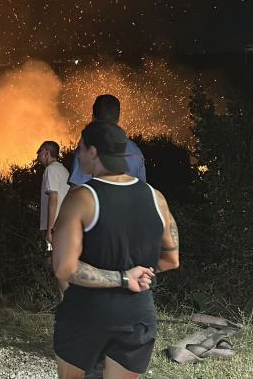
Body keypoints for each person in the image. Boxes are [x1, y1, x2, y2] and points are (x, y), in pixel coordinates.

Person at [52, 121, 180, 378]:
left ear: (93, 152)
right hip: (137, 316)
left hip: (86, 315)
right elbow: (171, 259)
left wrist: (122, 278)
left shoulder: (81, 198)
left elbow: (64, 268)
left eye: (80, 149)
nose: (78, 155)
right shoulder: (156, 197)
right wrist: (139, 274)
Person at [69, 95, 146, 188]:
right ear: (118, 119)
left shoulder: (87, 148)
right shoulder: (136, 151)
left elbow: (78, 190)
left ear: (93, 118)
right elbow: (141, 188)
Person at [37, 141, 70, 249]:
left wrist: (50, 231)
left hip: (55, 228)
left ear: (47, 152)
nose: (38, 154)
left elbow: (53, 199)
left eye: (39, 151)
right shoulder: (62, 169)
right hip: (64, 225)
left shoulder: (50, 170)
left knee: (50, 261)